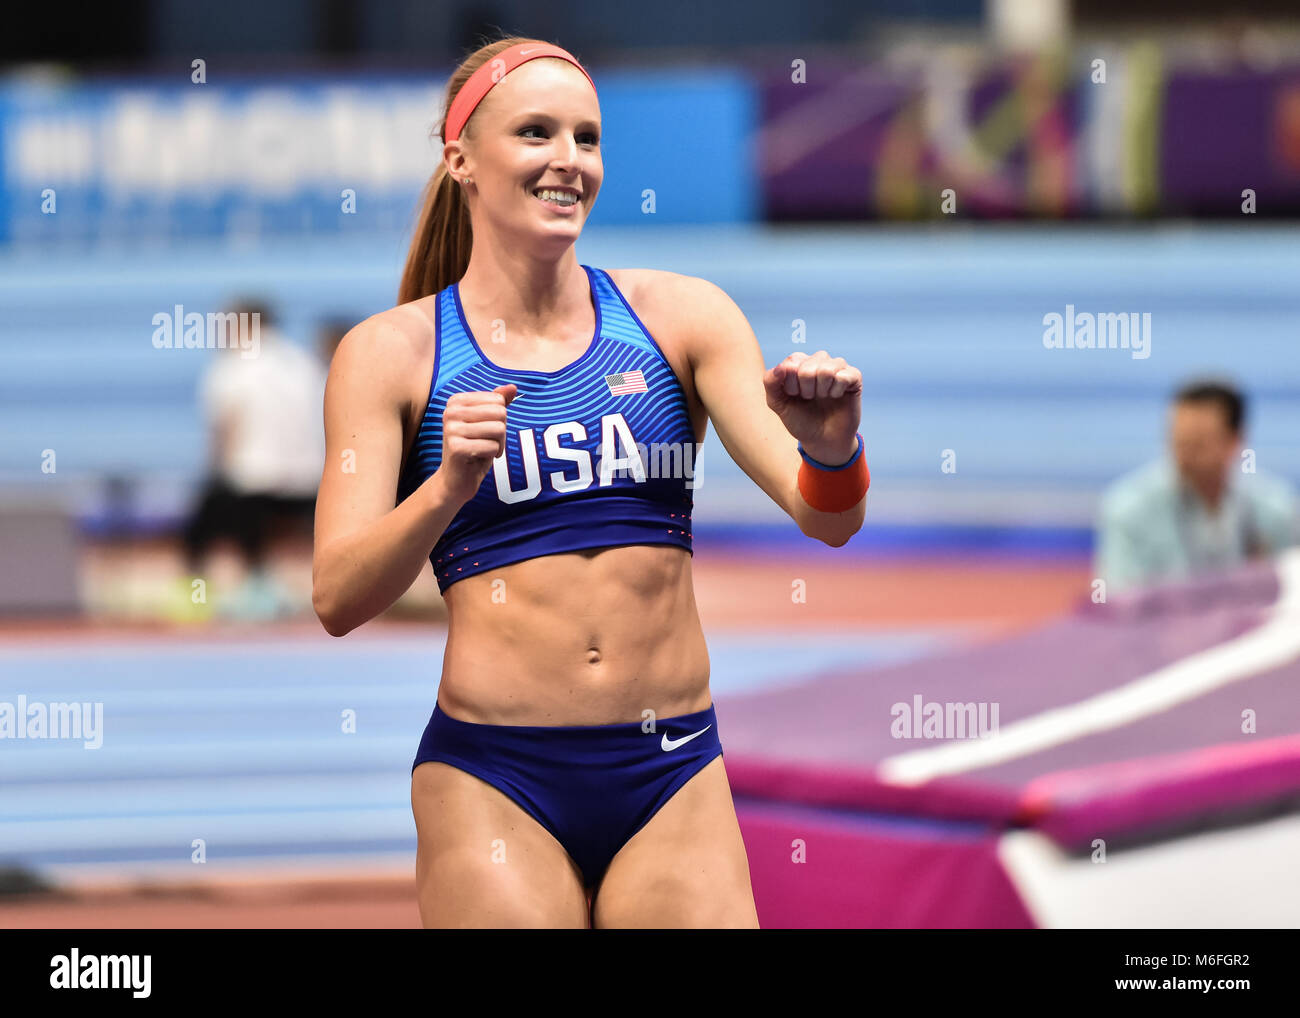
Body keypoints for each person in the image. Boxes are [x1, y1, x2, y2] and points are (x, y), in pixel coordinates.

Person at [311, 37, 869, 928]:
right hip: (494, 774)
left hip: (672, 769)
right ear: (461, 158)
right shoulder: (391, 354)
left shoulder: (682, 316)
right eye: (536, 133)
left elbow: (827, 518)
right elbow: (337, 594)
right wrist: (445, 487)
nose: (568, 161)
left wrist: (834, 448)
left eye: (587, 138)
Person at [181, 301, 327, 621]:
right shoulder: (304, 363)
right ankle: (263, 586)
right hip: (307, 485)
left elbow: (225, 430)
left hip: (254, 486)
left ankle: (195, 594)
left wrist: (215, 473)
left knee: (201, 521)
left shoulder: (233, 366)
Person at [1095, 379, 1298, 594]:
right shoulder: (1128, 510)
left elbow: (1289, 599)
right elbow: (1118, 605)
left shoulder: (1276, 511)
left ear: (1236, 441)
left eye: (1199, 444)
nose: (1185, 457)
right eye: (1179, 442)